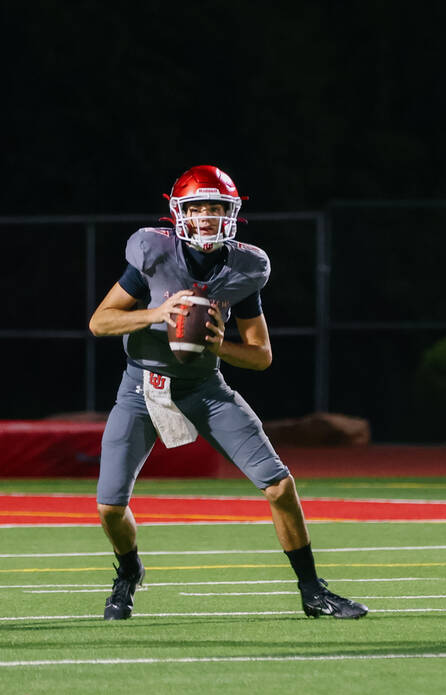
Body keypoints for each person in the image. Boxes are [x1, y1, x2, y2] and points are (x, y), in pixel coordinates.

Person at [88, 165, 367, 621]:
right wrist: (159, 312)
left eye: (215, 208)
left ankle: (313, 590)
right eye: (197, 208)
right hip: (142, 387)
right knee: (109, 507)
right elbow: (100, 322)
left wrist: (221, 345)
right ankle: (129, 570)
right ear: (179, 213)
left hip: (203, 387)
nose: (206, 217)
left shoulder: (245, 267)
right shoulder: (152, 254)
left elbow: (260, 356)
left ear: (231, 213)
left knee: (279, 486)